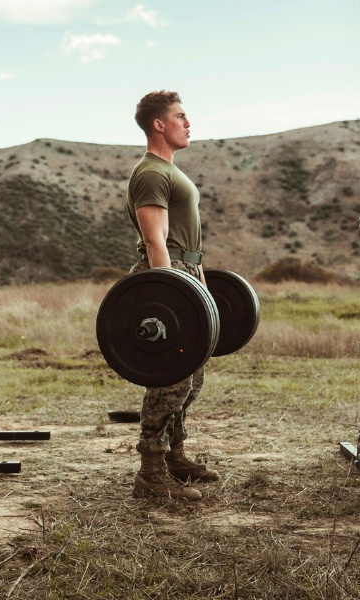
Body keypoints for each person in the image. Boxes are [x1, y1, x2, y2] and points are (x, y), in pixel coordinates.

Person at [126, 90, 219, 501]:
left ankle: (174, 457)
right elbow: (154, 238)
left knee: (191, 378)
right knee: (171, 380)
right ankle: (150, 470)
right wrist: (170, 290)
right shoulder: (151, 172)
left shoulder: (168, 170)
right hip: (170, 273)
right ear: (158, 124)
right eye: (181, 116)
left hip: (188, 272)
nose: (188, 123)